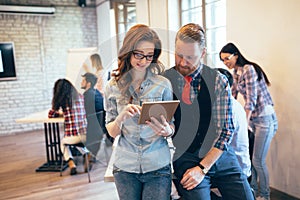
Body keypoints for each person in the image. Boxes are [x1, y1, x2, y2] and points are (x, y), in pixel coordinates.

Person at [163, 23, 254, 200]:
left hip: (220, 154)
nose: (182, 63)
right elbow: (167, 122)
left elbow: (226, 131)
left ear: (203, 53)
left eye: (189, 57)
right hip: (187, 156)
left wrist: (203, 168)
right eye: (179, 55)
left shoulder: (217, 81)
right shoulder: (166, 80)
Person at [104, 24, 174, 200]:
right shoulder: (112, 87)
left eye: (149, 56)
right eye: (139, 54)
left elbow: (170, 124)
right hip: (125, 168)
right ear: (129, 50)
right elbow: (111, 131)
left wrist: (168, 131)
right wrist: (121, 118)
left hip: (157, 165)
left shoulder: (163, 85)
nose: (143, 61)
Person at [219, 43, 278, 200]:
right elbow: (231, 96)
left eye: (227, 58)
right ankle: (250, 191)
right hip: (253, 118)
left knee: (258, 160)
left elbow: (251, 99)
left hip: (264, 117)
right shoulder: (236, 73)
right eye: (222, 60)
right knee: (250, 158)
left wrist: (243, 123)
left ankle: (265, 195)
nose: (225, 62)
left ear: (236, 55)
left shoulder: (249, 69)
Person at [48, 78, 90, 175]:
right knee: (80, 143)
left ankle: (71, 164)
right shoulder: (81, 97)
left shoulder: (63, 102)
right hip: (87, 135)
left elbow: (51, 114)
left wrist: (59, 111)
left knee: (63, 143)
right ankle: (86, 153)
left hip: (73, 137)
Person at [217, 68, 252, 180]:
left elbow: (220, 144)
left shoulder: (228, 108)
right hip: (237, 167)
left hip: (236, 172)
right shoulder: (233, 103)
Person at [81, 72, 105, 162]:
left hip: (90, 132)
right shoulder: (97, 93)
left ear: (89, 83)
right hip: (99, 131)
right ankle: (89, 155)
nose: (81, 83)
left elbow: (82, 112)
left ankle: (85, 154)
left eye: (83, 81)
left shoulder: (87, 95)